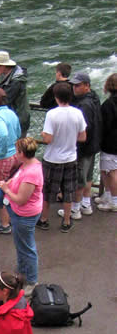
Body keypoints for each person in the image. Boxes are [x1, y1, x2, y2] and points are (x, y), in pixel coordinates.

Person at [37, 82, 87, 232]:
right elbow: (83, 137)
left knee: (47, 192)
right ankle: (66, 221)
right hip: (71, 157)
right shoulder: (77, 113)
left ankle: (44, 219)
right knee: (68, 191)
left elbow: (48, 140)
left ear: (56, 97)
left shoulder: (52, 114)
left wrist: (43, 134)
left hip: (52, 158)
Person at [0, 136, 44, 293]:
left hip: (25, 215)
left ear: (23, 153)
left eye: (17, 151)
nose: (15, 154)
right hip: (21, 214)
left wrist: (6, 190)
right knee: (22, 245)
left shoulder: (31, 173)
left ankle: (31, 281)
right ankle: (21, 273)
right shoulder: (29, 164)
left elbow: (21, 199)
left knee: (26, 248)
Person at [68, 72, 102, 220]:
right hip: (93, 145)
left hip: (83, 147)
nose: (74, 88)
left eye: (77, 85)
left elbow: (83, 129)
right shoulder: (94, 98)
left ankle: (75, 209)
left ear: (86, 86)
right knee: (88, 176)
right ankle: (86, 204)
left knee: (79, 179)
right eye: (73, 85)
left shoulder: (84, 105)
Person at [0, 88, 21, 235]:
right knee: (11, 187)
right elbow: (19, 131)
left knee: (2, 190)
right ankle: (11, 218)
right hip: (15, 154)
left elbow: (2, 133)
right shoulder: (11, 113)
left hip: (3, 158)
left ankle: (4, 224)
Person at [0, 50, 30, 135]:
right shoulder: (10, 73)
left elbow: (3, 101)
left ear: (2, 66)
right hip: (10, 119)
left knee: (15, 147)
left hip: (16, 122)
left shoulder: (16, 81)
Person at [96, 72, 117, 212]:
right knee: (105, 170)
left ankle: (114, 201)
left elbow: (105, 125)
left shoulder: (109, 104)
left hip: (110, 144)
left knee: (111, 172)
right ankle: (108, 195)